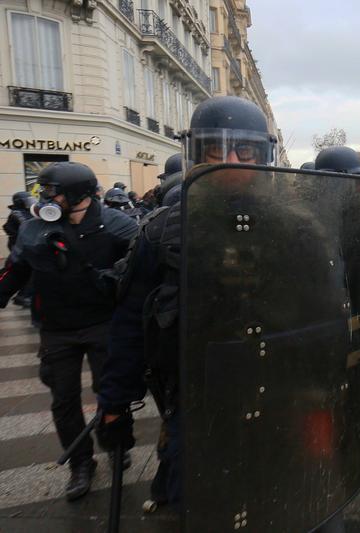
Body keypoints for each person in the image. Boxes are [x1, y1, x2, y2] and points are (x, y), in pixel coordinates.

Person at [95, 96, 278, 509]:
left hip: (278, 390)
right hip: (194, 396)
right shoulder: (161, 232)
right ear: (195, 155)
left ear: (263, 156)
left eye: (244, 150)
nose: (230, 160)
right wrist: (114, 404)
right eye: (215, 149)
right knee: (192, 498)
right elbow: (128, 325)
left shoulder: (297, 226)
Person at [0, 162, 138, 501]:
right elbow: (13, 272)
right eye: (43, 191)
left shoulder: (117, 226)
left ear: (77, 193)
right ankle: (80, 463)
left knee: (111, 394)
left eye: (52, 192)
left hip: (103, 323)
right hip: (57, 328)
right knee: (63, 400)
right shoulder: (35, 229)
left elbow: (140, 267)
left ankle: (115, 444)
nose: (45, 198)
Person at [2, 191, 36, 307]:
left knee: (26, 269)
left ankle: (23, 295)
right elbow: (27, 224)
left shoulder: (26, 212)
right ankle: (23, 296)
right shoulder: (17, 213)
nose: (30, 203)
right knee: (19, 269)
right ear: (20, 203)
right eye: (27, 201)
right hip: (18, 244)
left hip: (24, 243)